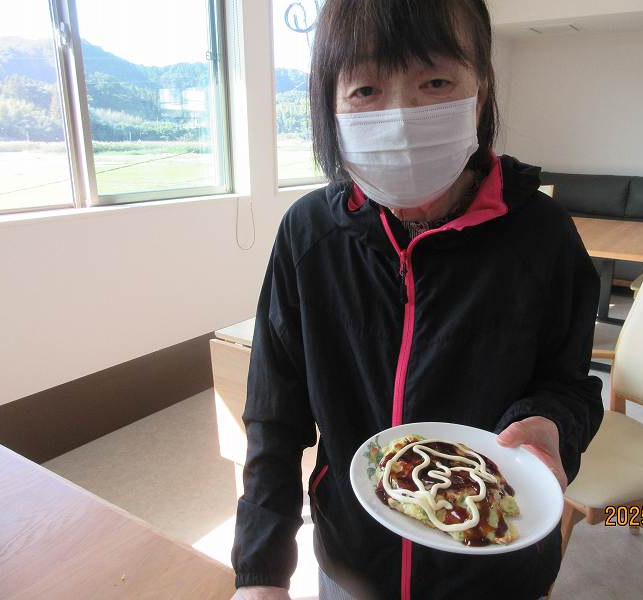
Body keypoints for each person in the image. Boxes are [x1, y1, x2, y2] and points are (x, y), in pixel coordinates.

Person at [231, 1, 603, 598]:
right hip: (351, 564)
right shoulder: (309, 235)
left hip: (493, 565)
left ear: (481, 90)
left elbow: (571, 386)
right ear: (330, 105)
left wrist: (552, 424)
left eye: (435, 83)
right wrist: (261, 570)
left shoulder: (543, 235)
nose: (401, 120)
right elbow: (274, 413)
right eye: (366, 90)